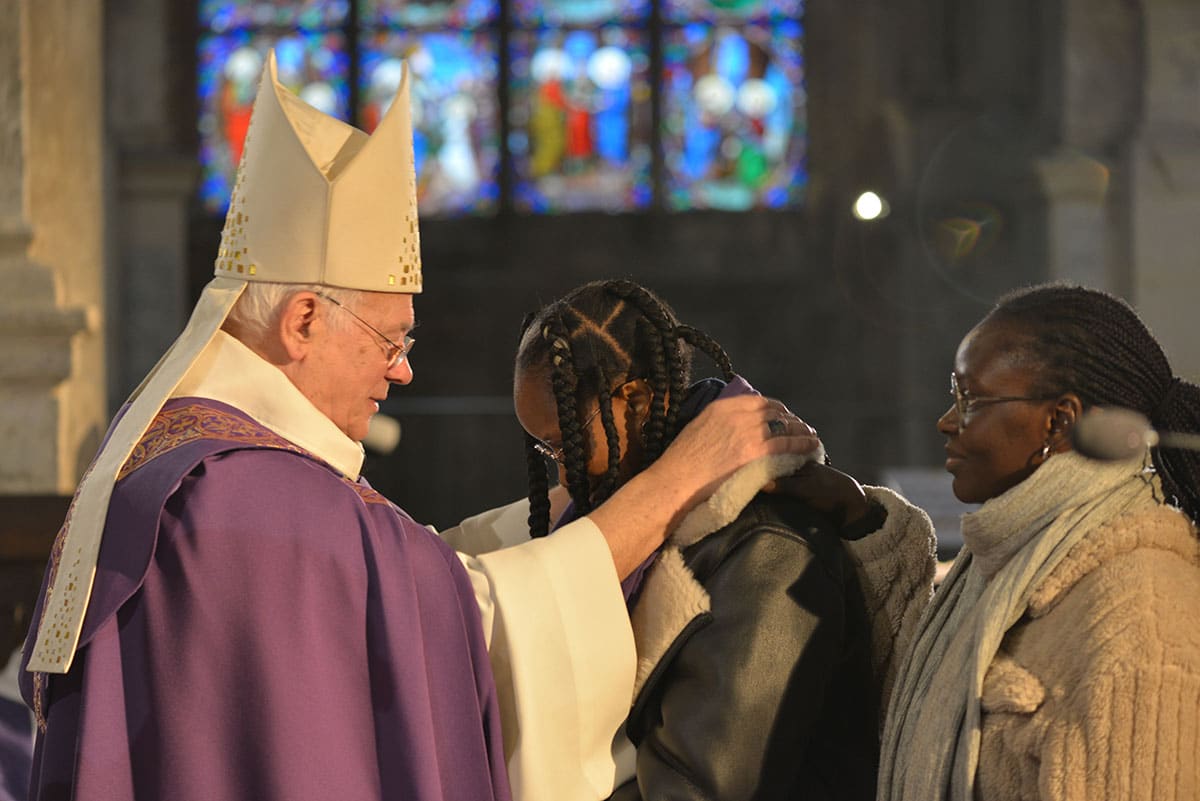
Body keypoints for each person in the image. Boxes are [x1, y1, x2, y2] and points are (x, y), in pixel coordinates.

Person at [16, 55, 820, 801]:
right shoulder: (246, 499)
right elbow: (467, 628)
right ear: (302, 321)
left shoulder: (183, 454)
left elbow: (400, 580)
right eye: (391, 338)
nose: (401, 370)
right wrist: (681, 477)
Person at [496, 279, 935, 801]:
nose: (564, 476)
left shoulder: (767, 542)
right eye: (548, 452)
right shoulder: (623, 515)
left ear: (634, 400)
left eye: (564, 441)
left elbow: (704, 786)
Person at [876, 283, 1200, 801]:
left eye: (969, 399)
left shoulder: (1138, 611)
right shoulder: (999, 569)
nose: (946, 422)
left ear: (1058, 422)